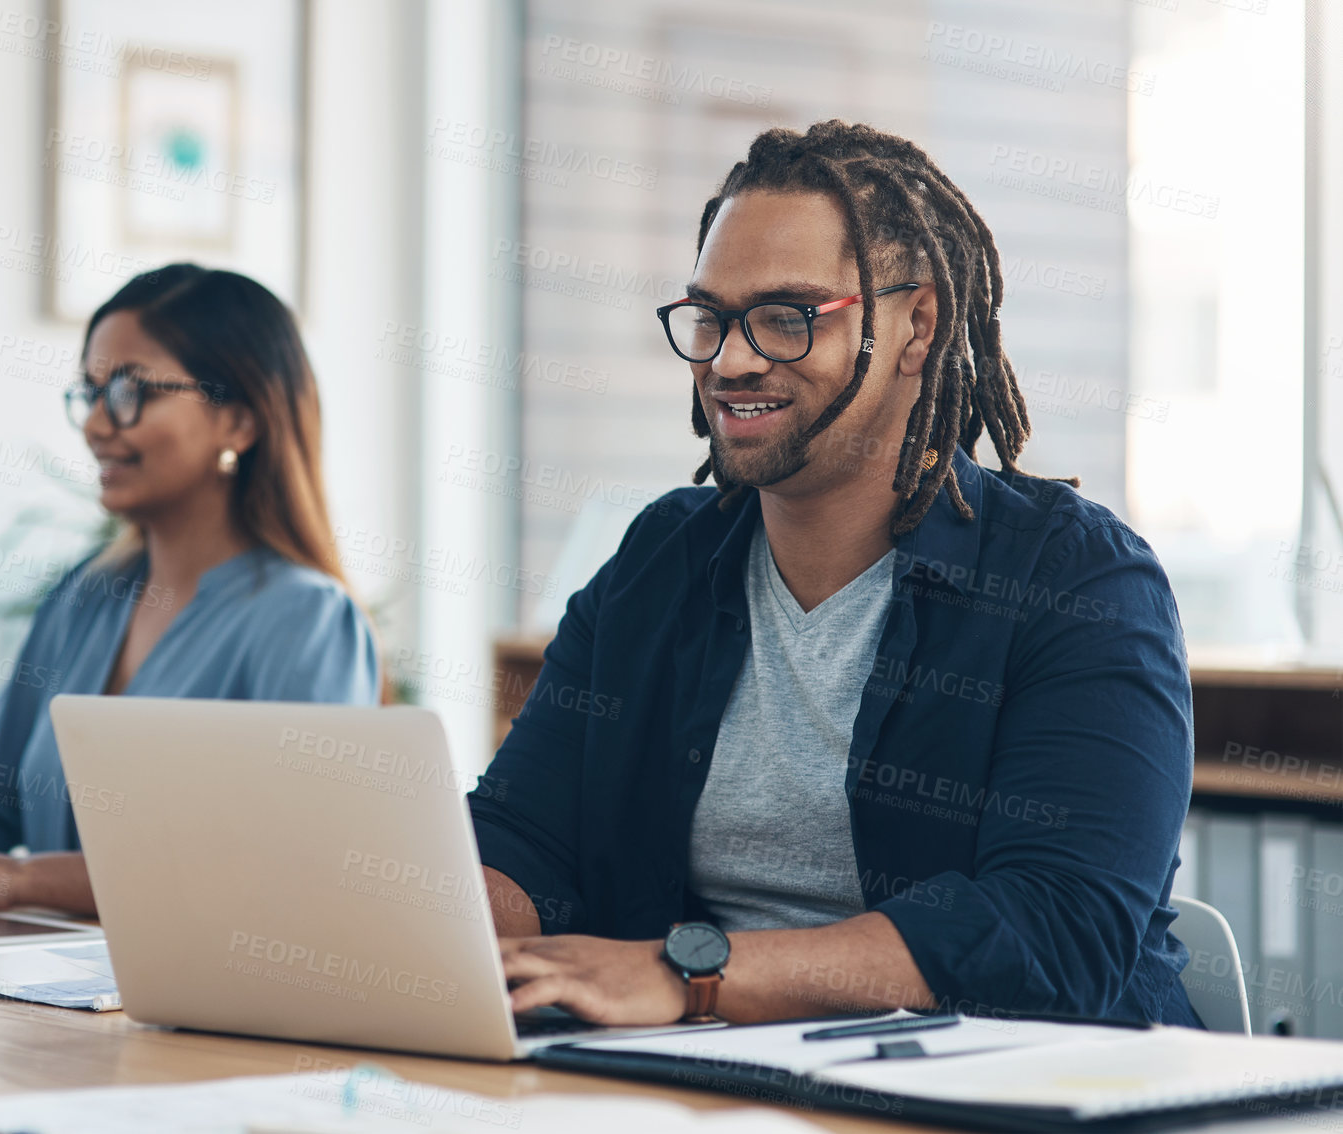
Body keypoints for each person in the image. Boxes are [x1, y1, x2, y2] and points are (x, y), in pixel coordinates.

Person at [473, 120, 1199, 1028]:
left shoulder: (1078, 581)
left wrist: (685, 974)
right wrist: (420, 925)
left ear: (916, 324)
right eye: (711, 318)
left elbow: (1051, 933)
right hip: (704, 1084)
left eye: (785, 318)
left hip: (1011, 1090)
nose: (732, 361)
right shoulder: (658, 562)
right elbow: (523, 836)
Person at [0, 264, 378, 915]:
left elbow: (282, 866)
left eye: (128, 392)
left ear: (239, 421)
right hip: (43, 996)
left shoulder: (306, 619)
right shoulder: (89, 596)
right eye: (89, 393)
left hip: (196, 1011)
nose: (96, 424)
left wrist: (11, 879)